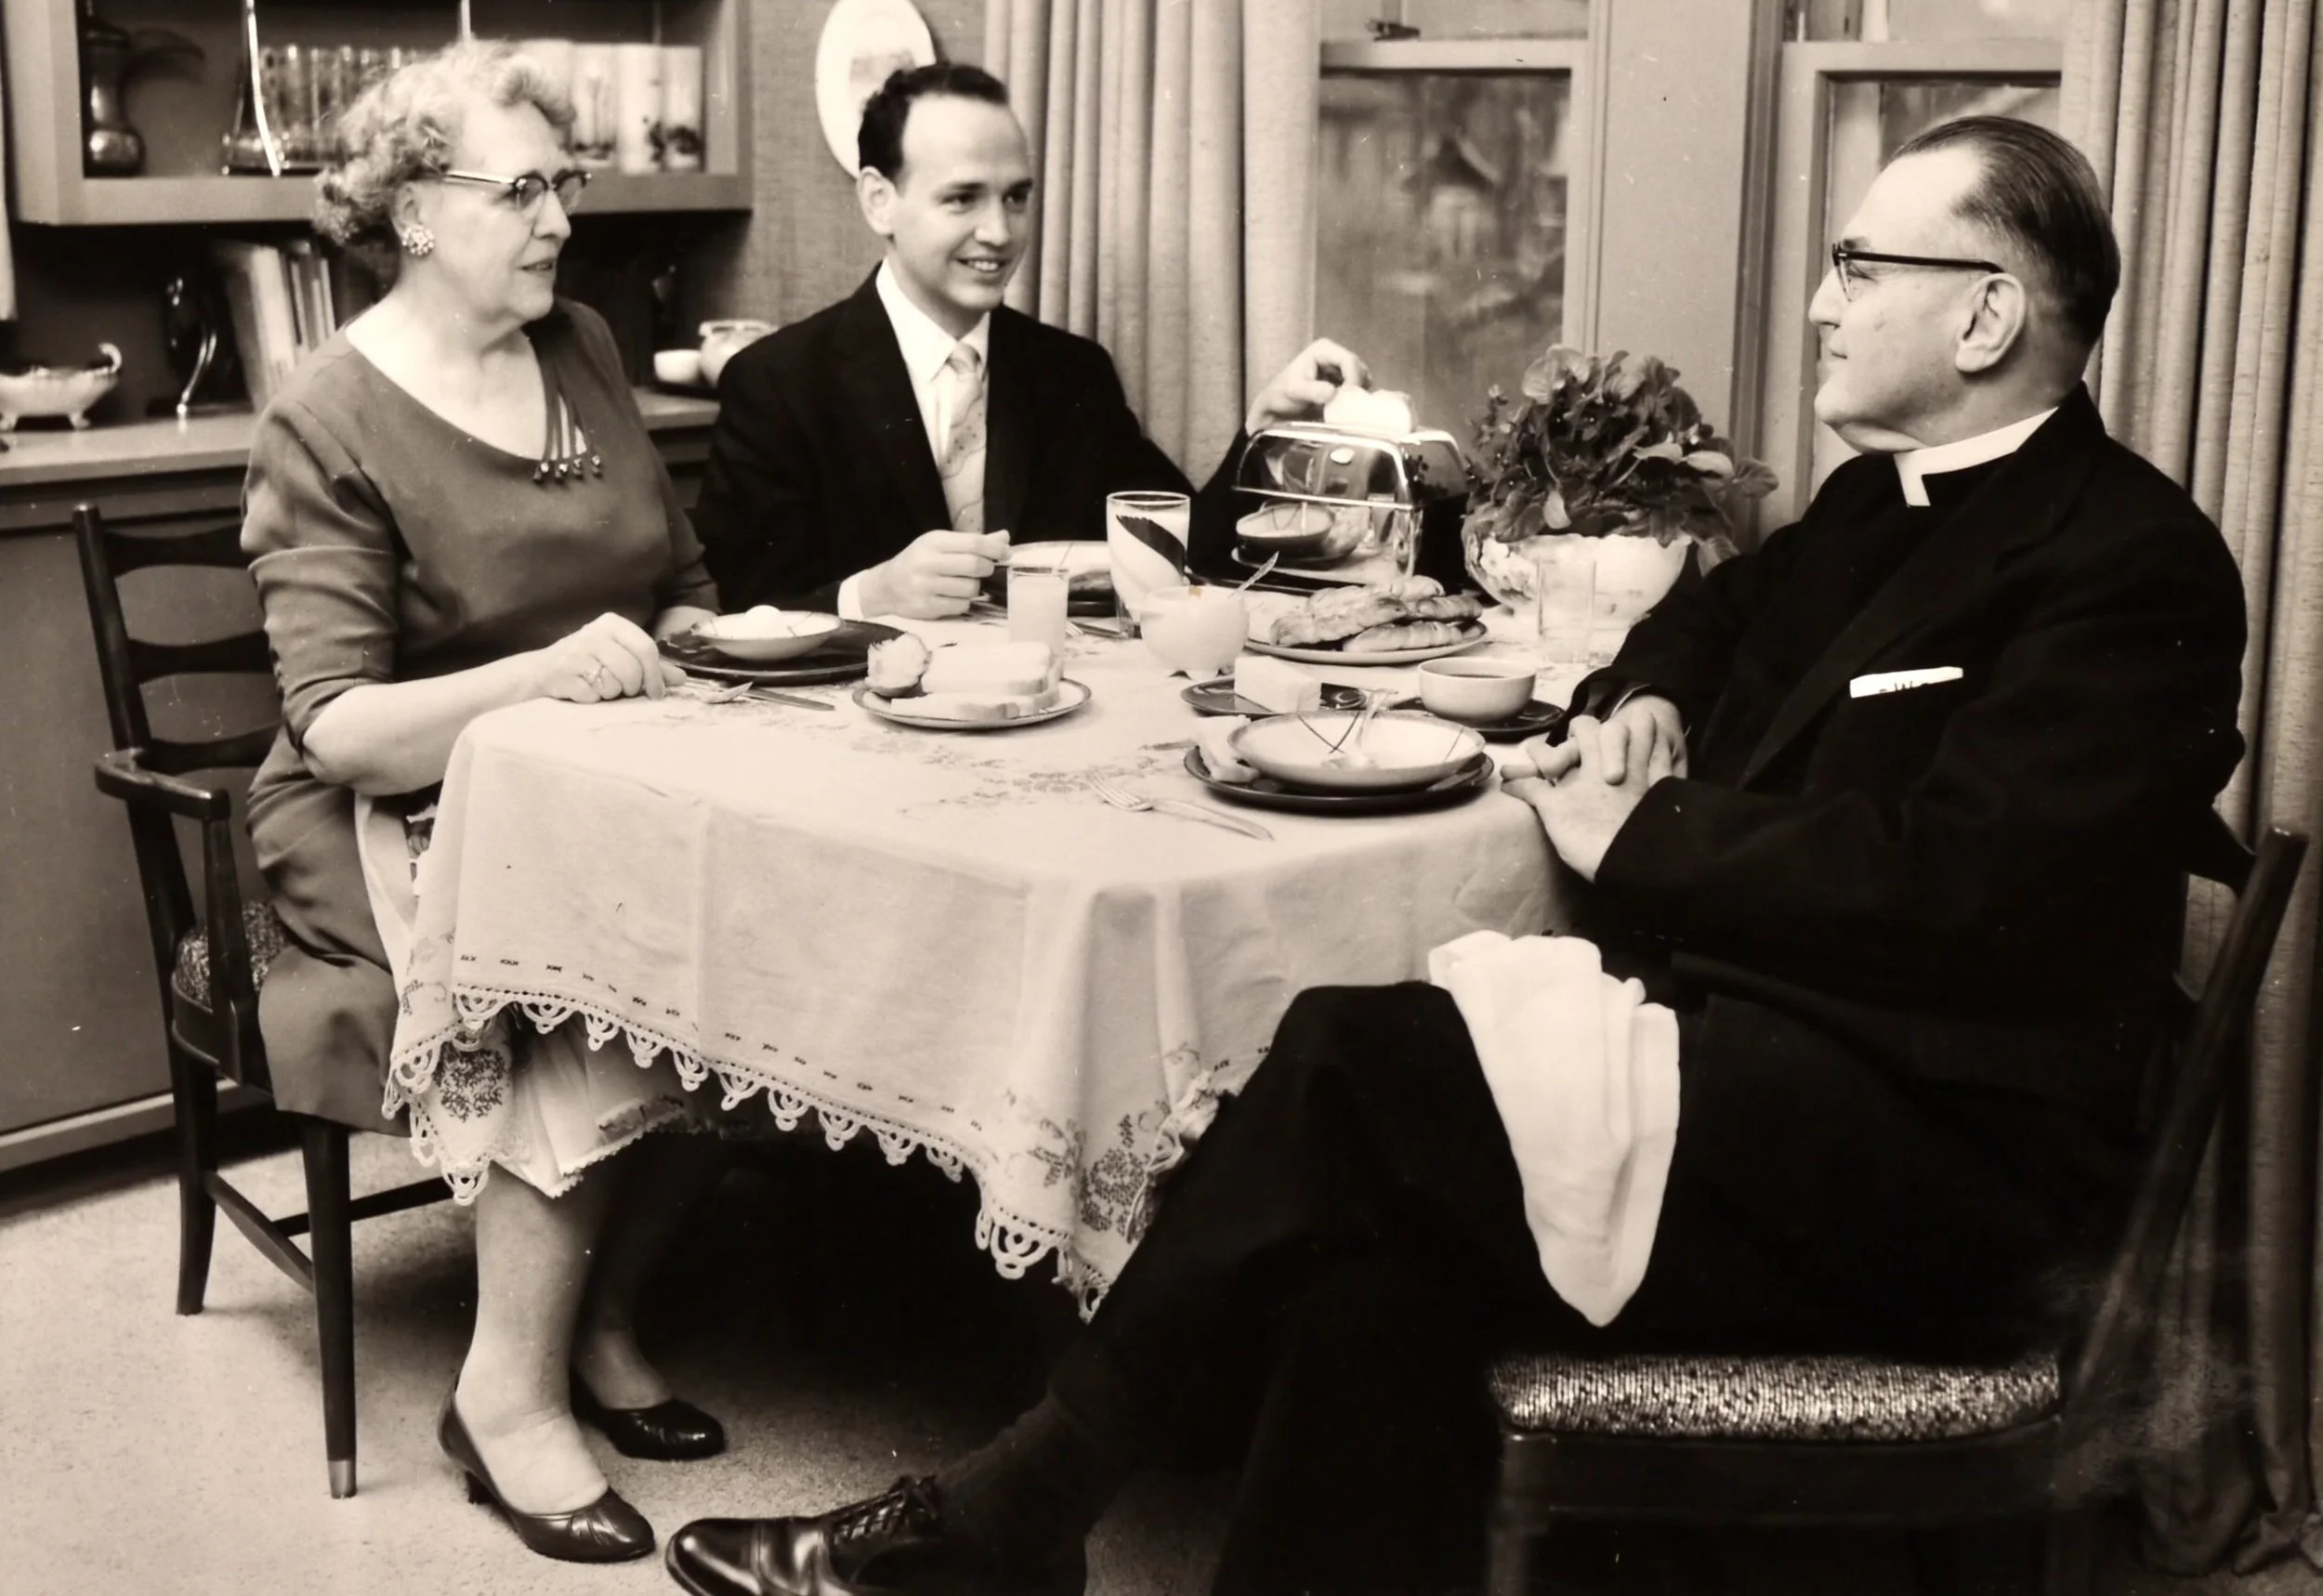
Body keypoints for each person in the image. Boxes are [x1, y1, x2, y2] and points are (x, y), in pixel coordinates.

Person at [662, 116, 2250, 1595]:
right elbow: (1714, 607)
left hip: (1936, 1161)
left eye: (1860, 267)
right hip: (1762, 1071)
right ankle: (1011, 1525)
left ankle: (1009, 1518)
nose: (1825, 305)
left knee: (1360, 1057)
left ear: (1986, 320)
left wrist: (1649, 830)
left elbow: (1967, 891)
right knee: (1376, 1263)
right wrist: (1647, 701)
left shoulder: (2130, 560)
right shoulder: (1865, 500)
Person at [245, 41, 728, 1566]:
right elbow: (343, 729)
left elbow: (683, 588)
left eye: (563, 183)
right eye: (521, 189)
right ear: (411, 211)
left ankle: (599, 1322)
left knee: (765, 935)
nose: (560, 219)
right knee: (575, 973)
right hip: (393, 807)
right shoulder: (325, 414)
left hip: (612, 767)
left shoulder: (577, 342)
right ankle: (502, 1393)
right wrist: (547, 680)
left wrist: (752, 651)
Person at [692, 62, 1360, 619]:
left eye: (1016, 198)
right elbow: (736, 610)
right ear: (878, 200)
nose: (1000, 232)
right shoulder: (777, 384)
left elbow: (1178, 553)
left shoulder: (1072, 373)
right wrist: (870, 594)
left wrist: (1263, 433)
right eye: (963, 199)